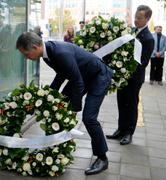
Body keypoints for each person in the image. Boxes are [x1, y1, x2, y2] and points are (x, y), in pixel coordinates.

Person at [16, 32, 112, 175]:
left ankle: (102, 158)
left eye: (26, 54)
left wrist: (74, 109)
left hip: (98, 76)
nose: (26, 58)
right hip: (82, 75)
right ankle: (55, 147)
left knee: (89, 118)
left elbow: (78, 83)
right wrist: (49, 95)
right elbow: (61, 74)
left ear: (35, 47)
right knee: (58, 106)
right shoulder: (47, 54)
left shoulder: (60, 52)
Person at [106, 5, 154, 145]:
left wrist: (126, 69)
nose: (136, 20)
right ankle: (121, 129)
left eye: (139, 18)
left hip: (134, 78)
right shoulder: (131, 32)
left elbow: (143, 62)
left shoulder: (148, 38)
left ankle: (128, 133)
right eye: (135, 17)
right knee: (121, 102)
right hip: (123, 76)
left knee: (131, 104)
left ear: (147, 19)